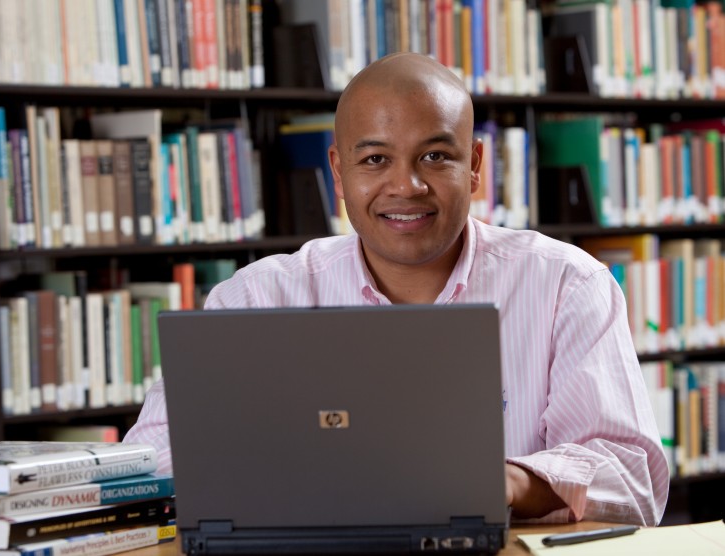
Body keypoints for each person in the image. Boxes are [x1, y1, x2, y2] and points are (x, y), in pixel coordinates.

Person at [124, 52, 669, 525]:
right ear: (338, 173)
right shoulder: (253, 299)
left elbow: (632, 479)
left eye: (435, 156)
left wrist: (501, 482)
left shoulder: (567, 285)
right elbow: (147, 463)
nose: (406, 186)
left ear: (475, 166)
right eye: (375, 159)